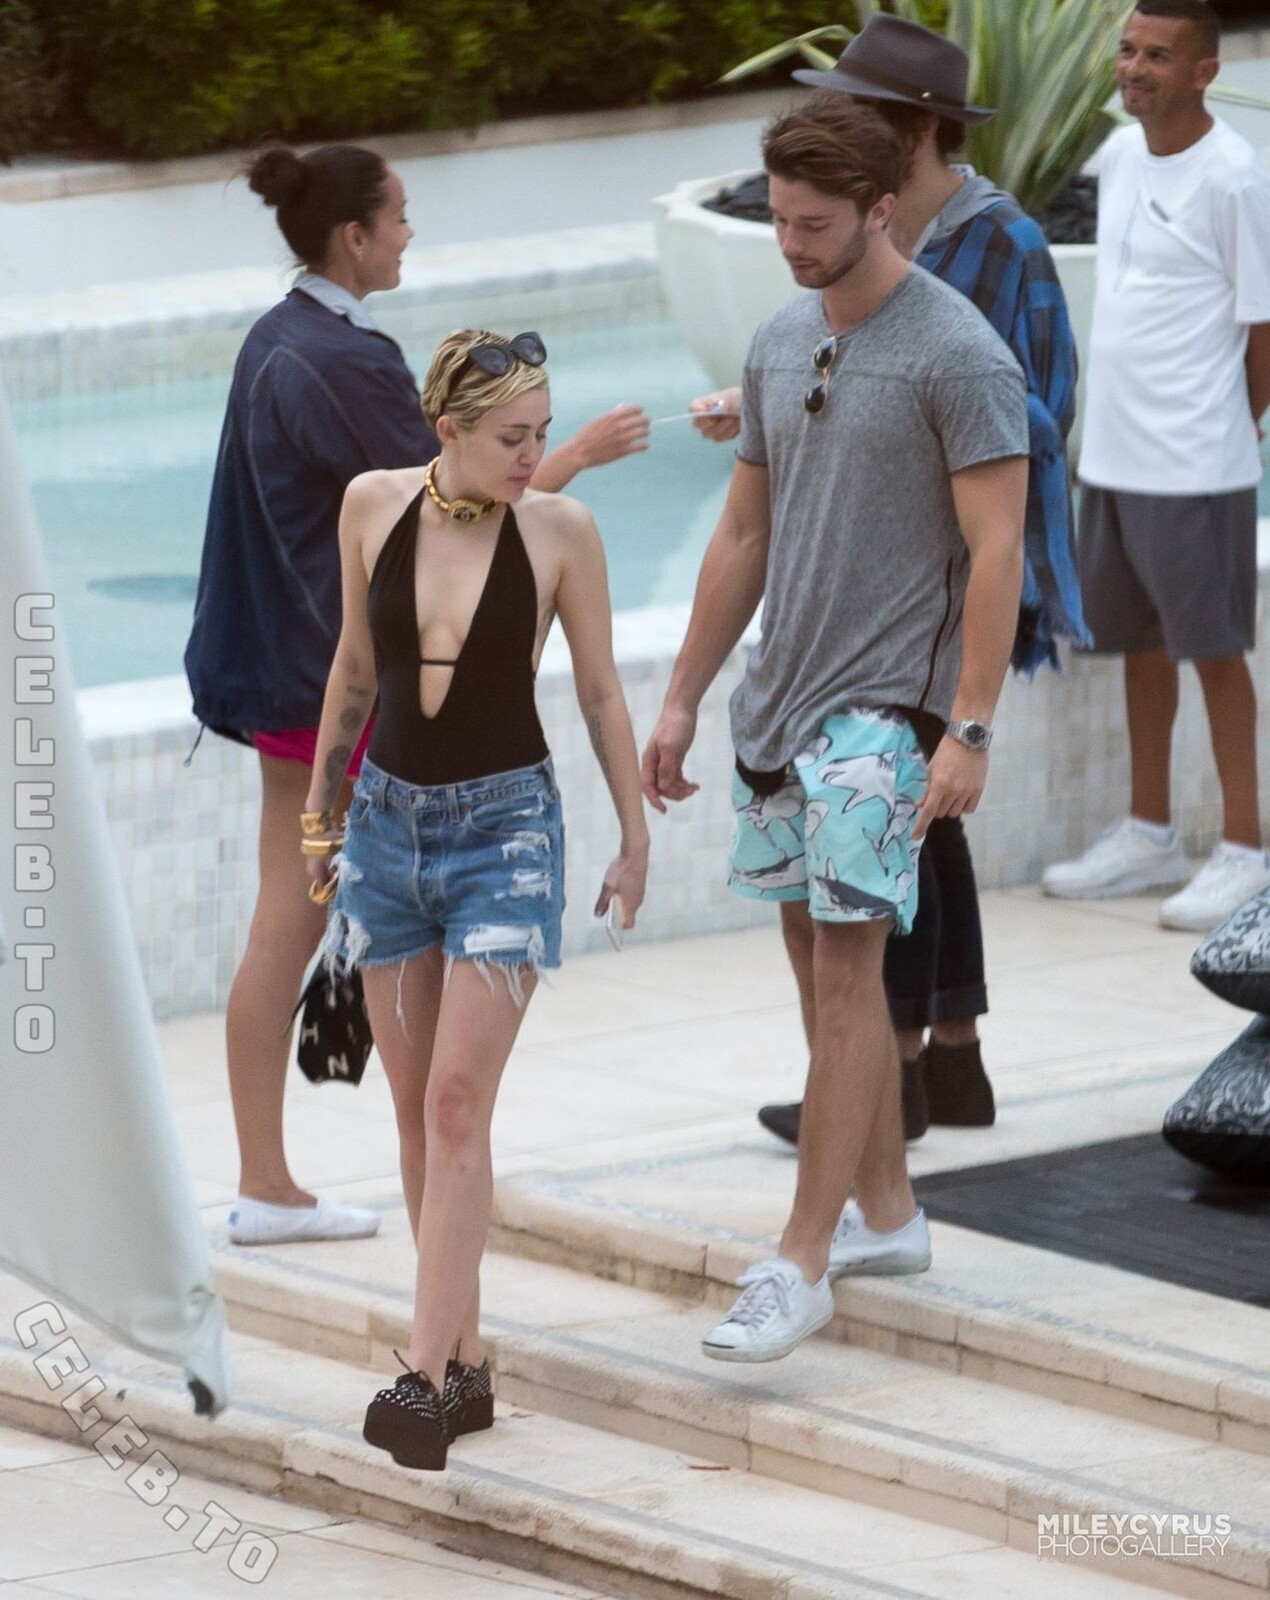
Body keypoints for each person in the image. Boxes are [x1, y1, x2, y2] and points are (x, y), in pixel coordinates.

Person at [185, 144, 650, 1248]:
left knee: (285, 913)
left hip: (271, 666)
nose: (408, 234)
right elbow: (456, 519)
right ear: (352, 237)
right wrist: (576, 455)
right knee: (294, 919)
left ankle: (267, 1179)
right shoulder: (342, 361)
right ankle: (287, 1183)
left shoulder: (278, 334)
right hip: (331, 680)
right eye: (397, 218)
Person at [643, 98, 1027, 1361]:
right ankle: (887, 1212)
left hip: (886, 714)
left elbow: (996, 550)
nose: (791, 244)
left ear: (880, 208)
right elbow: (743, 532)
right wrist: (685, 693)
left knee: (854, 974)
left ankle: (799, 1260)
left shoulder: (959, 353)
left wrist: (968, 726)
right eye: (779, 221)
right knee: (818, 971)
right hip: (780, 702)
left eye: (814, 225)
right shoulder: (777, 337)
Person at [693, 15, 1083, 1144]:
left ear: (912, 130)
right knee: (921, 825)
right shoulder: (851, 233)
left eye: (857, 107)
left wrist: (911, 420)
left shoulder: (998, 241)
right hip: (887, 577)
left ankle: (892, 1080)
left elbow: (1037, 411)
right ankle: (944, 1060)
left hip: (957, 578)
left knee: (901, 817)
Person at [302, 327, 648, 1468]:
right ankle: (467, 1361)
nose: (533, 455)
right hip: (386, 834)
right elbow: (355, 669)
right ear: (445, 428)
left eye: (542, 434)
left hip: (508, 837)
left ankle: (421, 1375)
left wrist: (634, 834)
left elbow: (599, 692)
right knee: (417, 1115)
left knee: (456, 1103)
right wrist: (320, 817)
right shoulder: (371, 506)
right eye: (512, 437)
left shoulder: (561, 531)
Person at [1043, 0, 1270, 931]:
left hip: (1194, 465)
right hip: (1113, 457)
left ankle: (1246, 852)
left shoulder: (1235, 178)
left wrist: (1231, 429)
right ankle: (1149, 834)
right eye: (1128, 50)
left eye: (1158, 56)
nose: (1134, 67)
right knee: (1138, 644)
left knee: (1212, 651)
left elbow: (1264, 329)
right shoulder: (1121, 156)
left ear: (1205, 71)